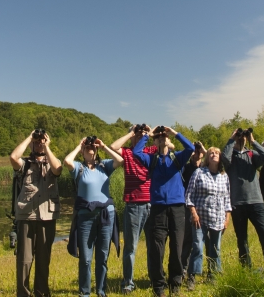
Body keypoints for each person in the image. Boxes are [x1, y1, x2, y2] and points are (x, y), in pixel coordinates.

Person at [110, 124, 173, 294]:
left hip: (152, 205)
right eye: (137, 134)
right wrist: (132, 133)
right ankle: (128, 283)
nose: (140, 136)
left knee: (154, 246)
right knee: (131, 247)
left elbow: (171, 146)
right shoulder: (128, 153)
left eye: (141, 134)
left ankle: (155, 279)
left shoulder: (151, 150)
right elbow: (113, 147)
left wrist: (152, 133)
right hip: (133, 205)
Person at [133, 126, 195, 297]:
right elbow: (136, 153)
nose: (161, 138)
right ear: (155, 141)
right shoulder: (151, 159)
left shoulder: (177, 158)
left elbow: (190, 148)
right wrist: (148, 135)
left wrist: (174, 133)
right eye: (158, 137)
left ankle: (175, 284)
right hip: (158, 208)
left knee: (177, 247)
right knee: (156, 249)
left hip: (177, 208)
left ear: (169, 140)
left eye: (164, 136)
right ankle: (158, 286)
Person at [64, 135, 124, 297]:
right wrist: (79, 145)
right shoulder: (79, 168)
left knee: (103, 256)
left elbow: (120, 160)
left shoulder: (104, 166)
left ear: (96, 150)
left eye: (92, 147)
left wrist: (104, 146)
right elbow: (67, 161)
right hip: (85, 217)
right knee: (85, 258)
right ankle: (85, 292)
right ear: (83, 152)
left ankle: (101, 291)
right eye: (87, 148)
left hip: (106, 215)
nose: (90, 149)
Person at [10, 129, 62, 297]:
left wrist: (47, 147)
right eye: (37, 142)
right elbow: (13, 158)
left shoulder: (51, 161)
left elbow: (58, 169)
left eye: (42, 140)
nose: (39, 143)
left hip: (47, 216)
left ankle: (42, 292)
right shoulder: (24, 164)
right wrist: (29, 138)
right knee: (24, 260)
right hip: (27, 216)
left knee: (43, 259)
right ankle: (23, 293)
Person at [221, 128, 264, 270]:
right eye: (240, 136)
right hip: (238, 204)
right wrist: (232, 140)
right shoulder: (231, 156)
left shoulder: (251, 154)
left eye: (243, 137)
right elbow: (224, 160)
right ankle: (246, 269)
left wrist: (253, 140)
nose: (242, 138)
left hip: (256, 202)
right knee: (242, 239)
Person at [185, 147, 231, 291]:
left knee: (215, 248)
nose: (214, 155)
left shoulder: (224, 176)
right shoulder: (199, 173)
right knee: (198, 246)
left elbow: (227, 199)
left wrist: (227, 218)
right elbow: (189, 195)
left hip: (218, 218)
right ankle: (192, 276)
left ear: (220, 157)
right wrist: (193, 213)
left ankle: (213, 275)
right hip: (200, 218)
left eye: (217, 153)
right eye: (211, 153)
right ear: (207, 157)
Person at [181, 141, 207, 280]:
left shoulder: (206, 169)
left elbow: (215, 158)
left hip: (204, 209)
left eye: (199, 151)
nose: (196, 153)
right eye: (194, 151)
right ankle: (183, 269)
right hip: (187, 208)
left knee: (201, 242)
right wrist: (189, 151)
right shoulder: (185, 168)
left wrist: (202, 148)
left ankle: (196, 271)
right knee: (187, 240)